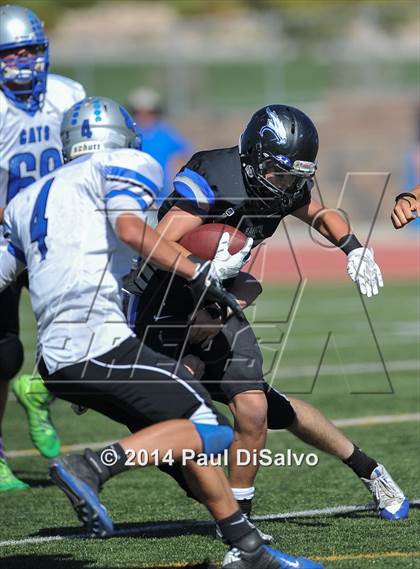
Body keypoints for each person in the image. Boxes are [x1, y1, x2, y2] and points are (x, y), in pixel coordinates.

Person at [0, 95, 324, 569]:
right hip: (103, 343)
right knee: (207, 427)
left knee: (191, 438)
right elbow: (135, 231)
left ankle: (248, 549)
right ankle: (90, 466)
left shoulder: (24, 201)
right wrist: (199, 270)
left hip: (54, 360)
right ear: (121, 137)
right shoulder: (126, 164)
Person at [128, 104, 409, 524]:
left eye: (296, 178)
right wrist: (199, 267)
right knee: (174, 425)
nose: (287, 187)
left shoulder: (282, 182)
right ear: (253, 158)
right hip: (163, 304)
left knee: (258, 408)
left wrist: (353, 248)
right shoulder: (215, 175)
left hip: (216, 298)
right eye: (281, 175)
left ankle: (358, 475)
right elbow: (157, 241)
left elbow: (317, 213)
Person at [0, 3, 86, 491]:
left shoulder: (68, 94)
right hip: (5, 235)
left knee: (80, 333)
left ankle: (40, 393)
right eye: (13, 54)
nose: (26, 62)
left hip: (54, 232)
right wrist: (22, 214)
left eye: (32, 50)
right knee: (3, 352)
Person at [128, 87, 192, 202]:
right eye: (138, 112)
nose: (144, 116)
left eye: (150, 112)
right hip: (132, 197)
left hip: (161, 198)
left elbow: (182, 158)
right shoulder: (128, 135)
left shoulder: (167, 134)